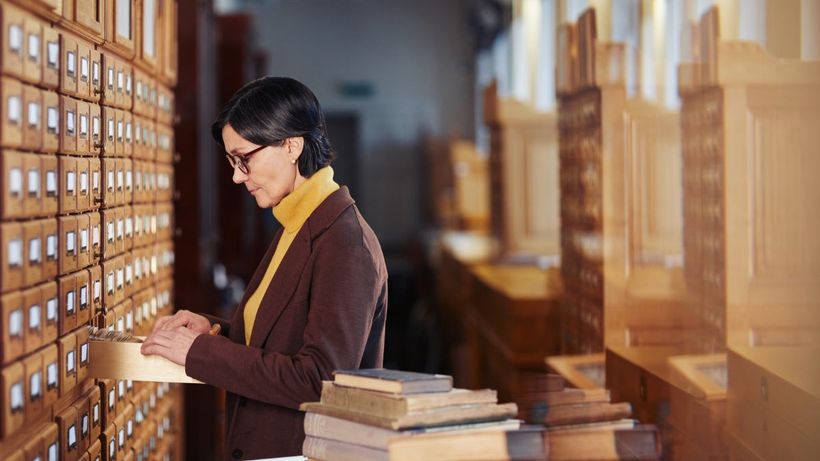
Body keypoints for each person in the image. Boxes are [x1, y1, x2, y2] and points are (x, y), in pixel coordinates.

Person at [140, 77, 388, 460]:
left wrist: (201, 353)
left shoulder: (345, 243)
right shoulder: (297, 222)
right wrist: (214, 330)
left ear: (291, 146)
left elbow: (319, 380)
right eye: (231, 162)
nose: (238, 176)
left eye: (245, 158)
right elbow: (282, 336)